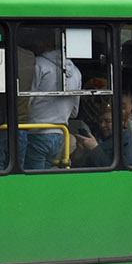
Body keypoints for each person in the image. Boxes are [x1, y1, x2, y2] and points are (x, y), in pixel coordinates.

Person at [22, 29, 81, 170]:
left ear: (45, 43)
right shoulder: (76, 72)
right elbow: (74, 112)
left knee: (33, 179)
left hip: (37, 131)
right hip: (60, 134)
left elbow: (27, 101)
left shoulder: (39, 64)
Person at [72, 92, 132, 168]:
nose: (102, 125)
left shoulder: (127, 140)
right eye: (100, 121)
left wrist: (95, 149)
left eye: (108, 121)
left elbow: (123, 171)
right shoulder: (96, 137)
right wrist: (79, 154)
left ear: (121, 122)